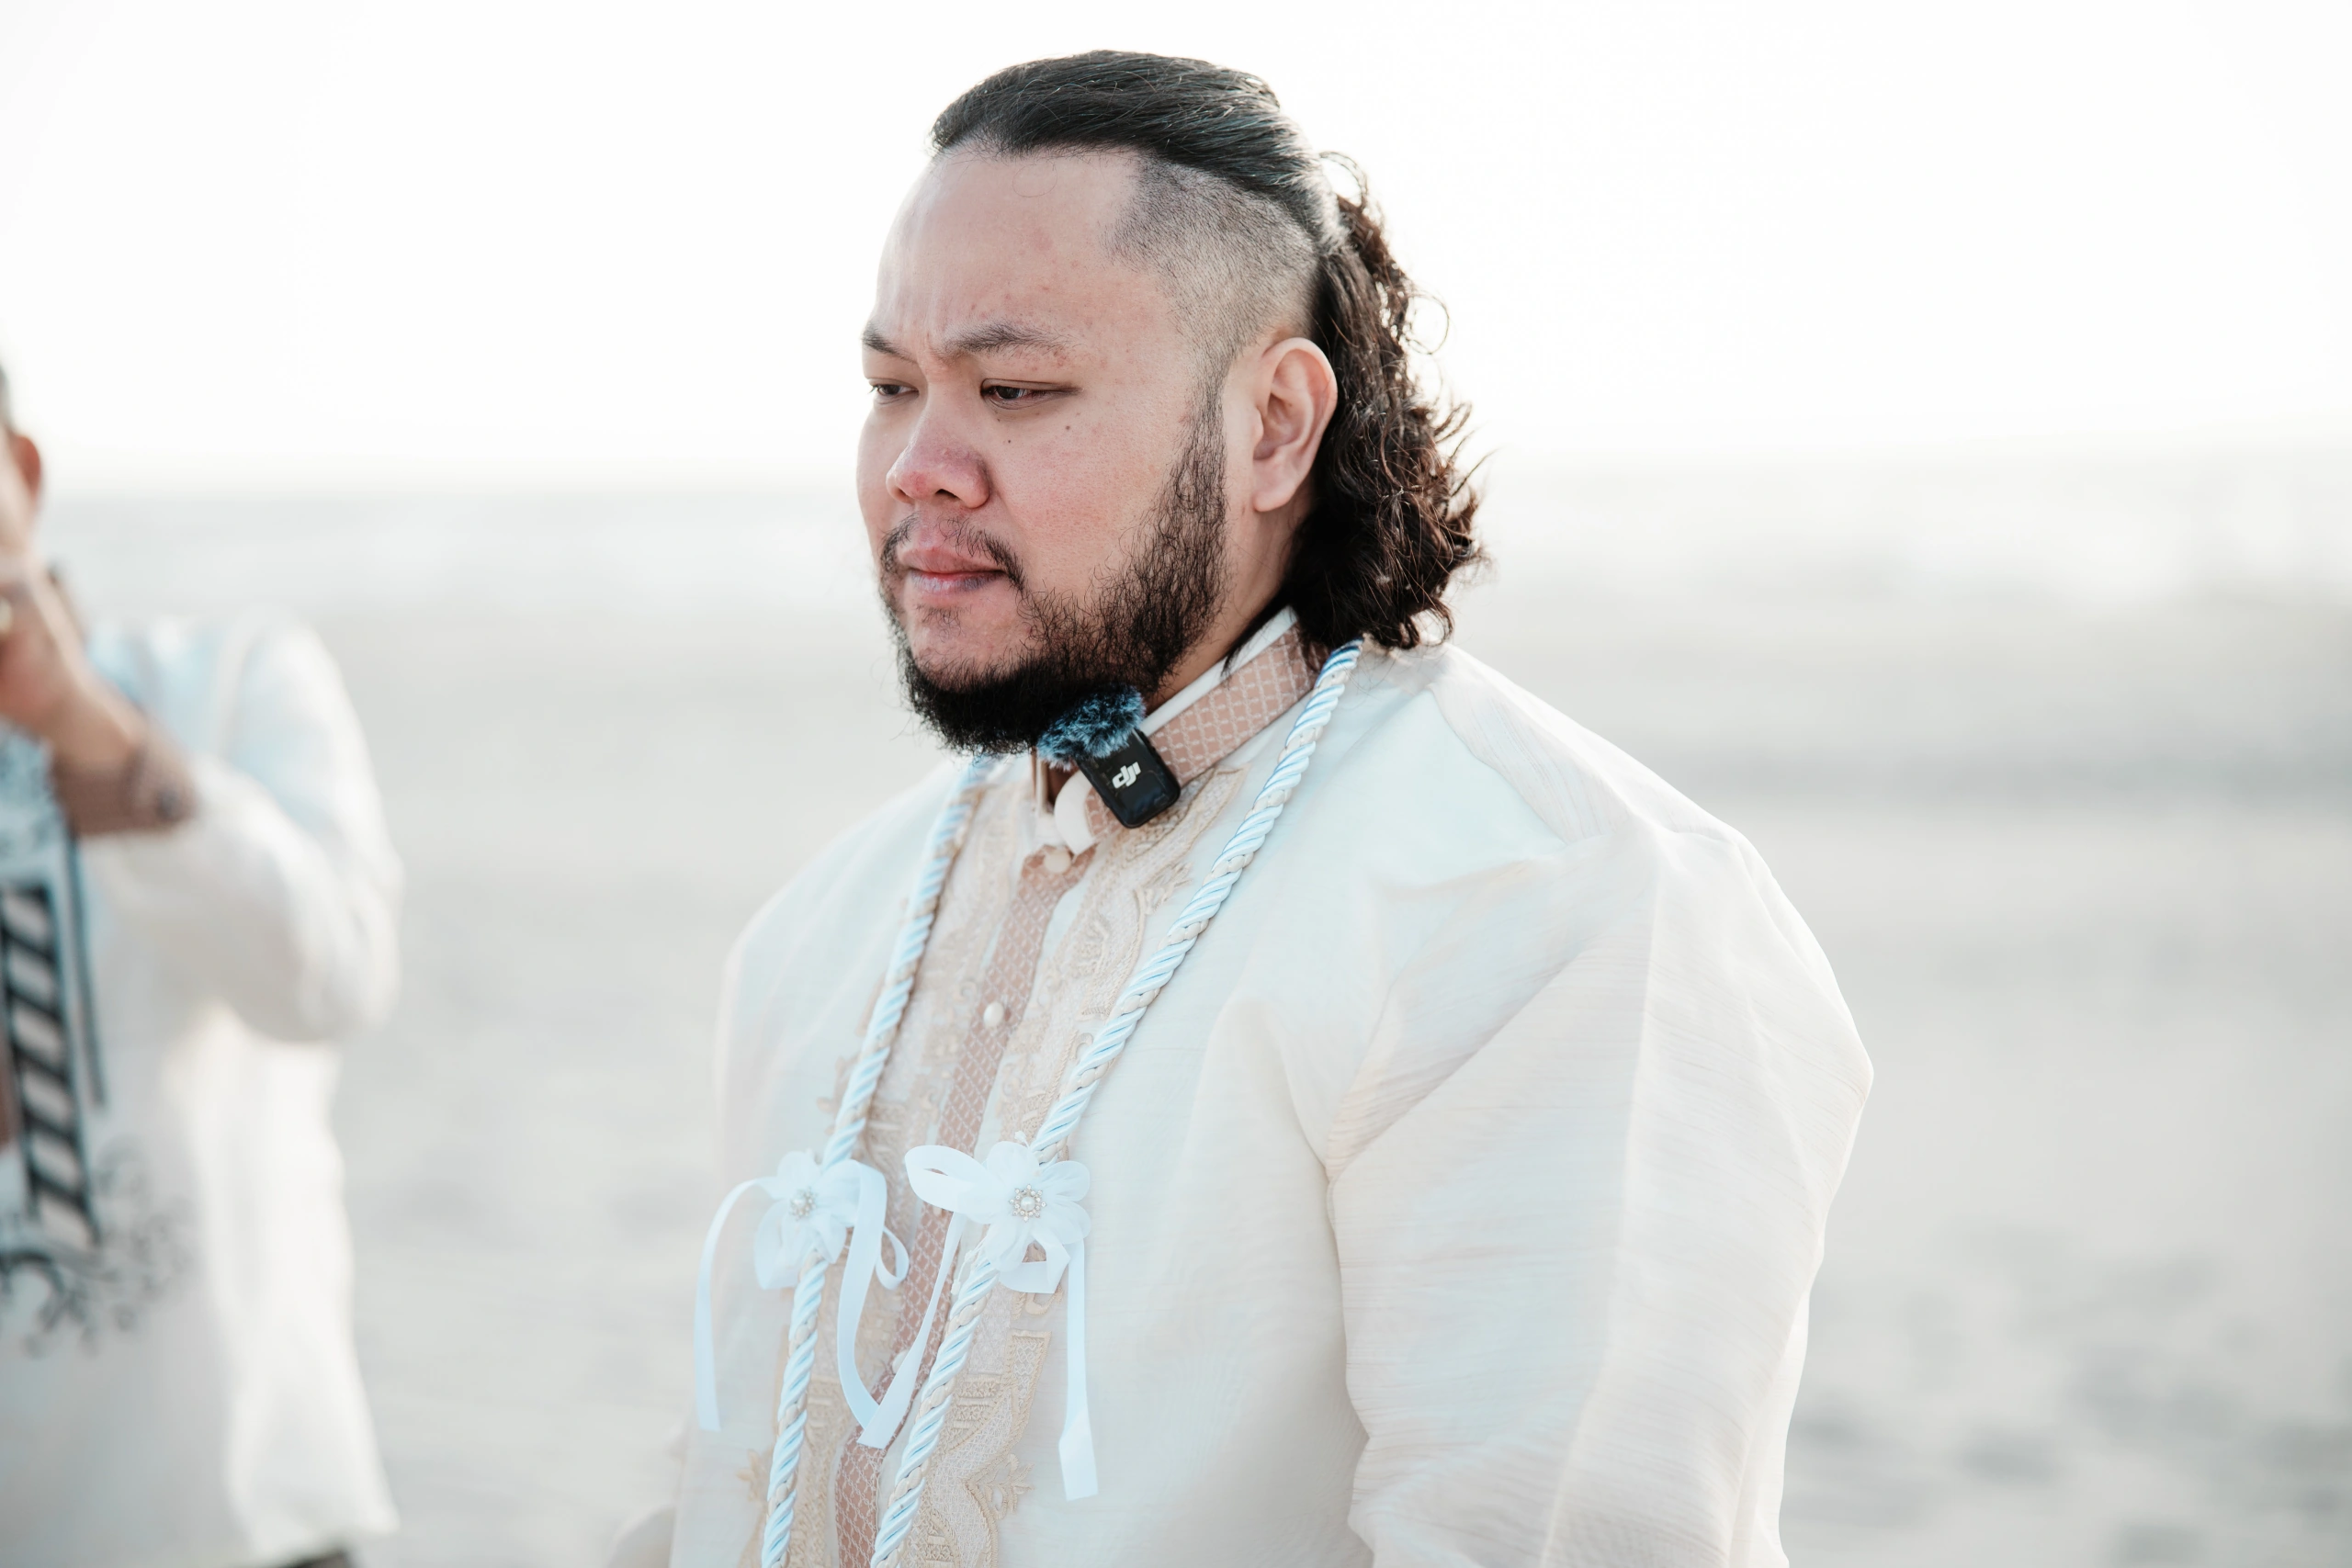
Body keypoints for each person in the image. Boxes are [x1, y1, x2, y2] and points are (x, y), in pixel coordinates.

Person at [647, 51, 1871, 1568]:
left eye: (1013, 390)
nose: (919, 469)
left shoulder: (1545, 906)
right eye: (893, 387)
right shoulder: (822, 932)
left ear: (1276, 425)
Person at [0, 358, 402, 1566]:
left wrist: (84, 728)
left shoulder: (227, 679)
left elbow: (332, 976)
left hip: (243, 1520)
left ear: (20, 471)